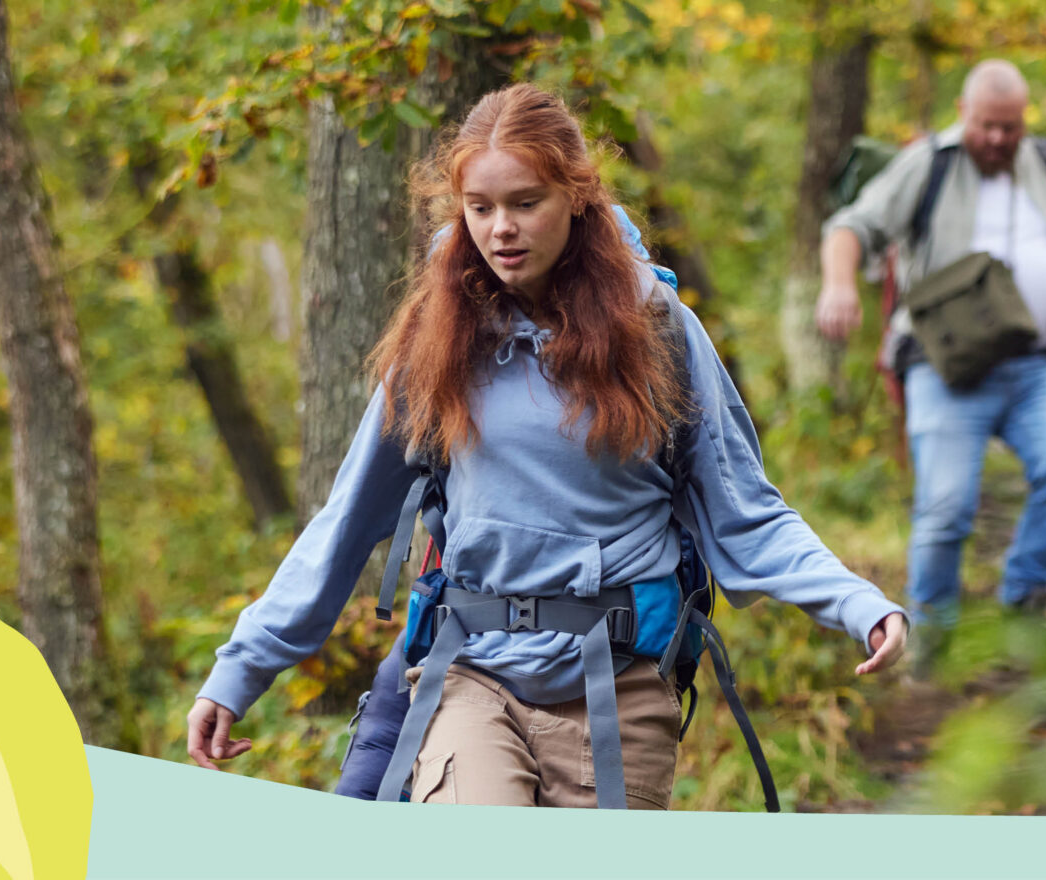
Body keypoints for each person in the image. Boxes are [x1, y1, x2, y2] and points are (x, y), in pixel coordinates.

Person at [184, 83, 909, 810]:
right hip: (471, 673)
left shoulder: (657, 330)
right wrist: (240, 670)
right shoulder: (437, 340)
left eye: (526, 203)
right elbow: (345, 523)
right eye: (480, 208)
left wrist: (856, 603)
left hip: (616, 687)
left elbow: (746, 512)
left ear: (576, 195)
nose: (501, 228)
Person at [814, 59, 1046, 652]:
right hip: (944, 368)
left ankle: (1024, 605)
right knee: (946, 509)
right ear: (963, 112)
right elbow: (850, 227)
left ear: (1024, 120)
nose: (996, 138)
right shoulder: (929, 163)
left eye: (1009, 127)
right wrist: (838, 286)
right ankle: (931, 645)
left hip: (1035, 367)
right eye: (986, 125)